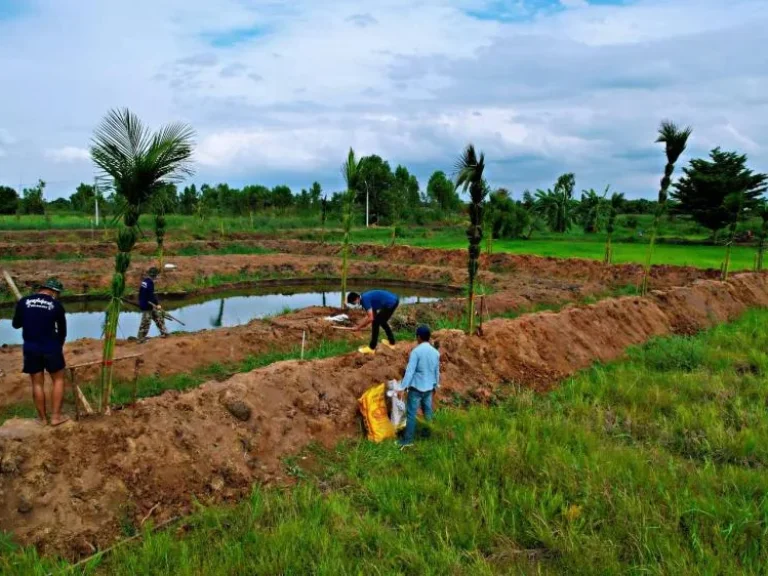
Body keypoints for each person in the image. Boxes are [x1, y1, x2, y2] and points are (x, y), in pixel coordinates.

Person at [11, 278, 68, 426]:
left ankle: (42, 420)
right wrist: (59, 346)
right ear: (54, 292)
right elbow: (62, 331)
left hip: (31, 348)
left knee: (37, 383)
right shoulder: (56, 305)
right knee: (59, 380)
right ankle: (56, 418)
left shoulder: (23, 302)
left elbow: (16, 325)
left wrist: (28, 318)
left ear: (42, 288)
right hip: (51, 347)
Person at [397, 325, 440, 448]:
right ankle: (428, 434)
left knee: (411, 414)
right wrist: (436, 385)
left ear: (419, 337)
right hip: (429, 388)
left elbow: (410, 371)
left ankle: (408, 440)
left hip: (416, 388)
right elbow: (437, 371)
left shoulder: (416, 352)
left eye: (417, 336)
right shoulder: (435, 352)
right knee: (428, 411)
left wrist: (403, 387)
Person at [347, 289, 399, 354]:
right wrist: (360, 325)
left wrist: (359, 327)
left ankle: (372, 348)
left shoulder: (365, 300)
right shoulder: (364, 297)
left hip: (391, 303)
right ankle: (392, 342)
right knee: (381, 321)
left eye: (353, 303)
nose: (353, 304)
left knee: (376, 322)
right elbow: (372, 314)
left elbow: (371, 318)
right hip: (392, 300)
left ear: (357, 298)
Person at [137, 267, 168, 342]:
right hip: (146, 306)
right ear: (154, 275)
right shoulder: (150, 283)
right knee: (146, 322)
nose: (158, 276)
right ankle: (141, 339)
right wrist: (157, 304)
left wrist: (141, 301)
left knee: (158, 316)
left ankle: (164, 332)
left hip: (146, 303)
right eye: (157, 275)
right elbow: (151, 296)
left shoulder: (145, 281)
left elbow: (141, 293)